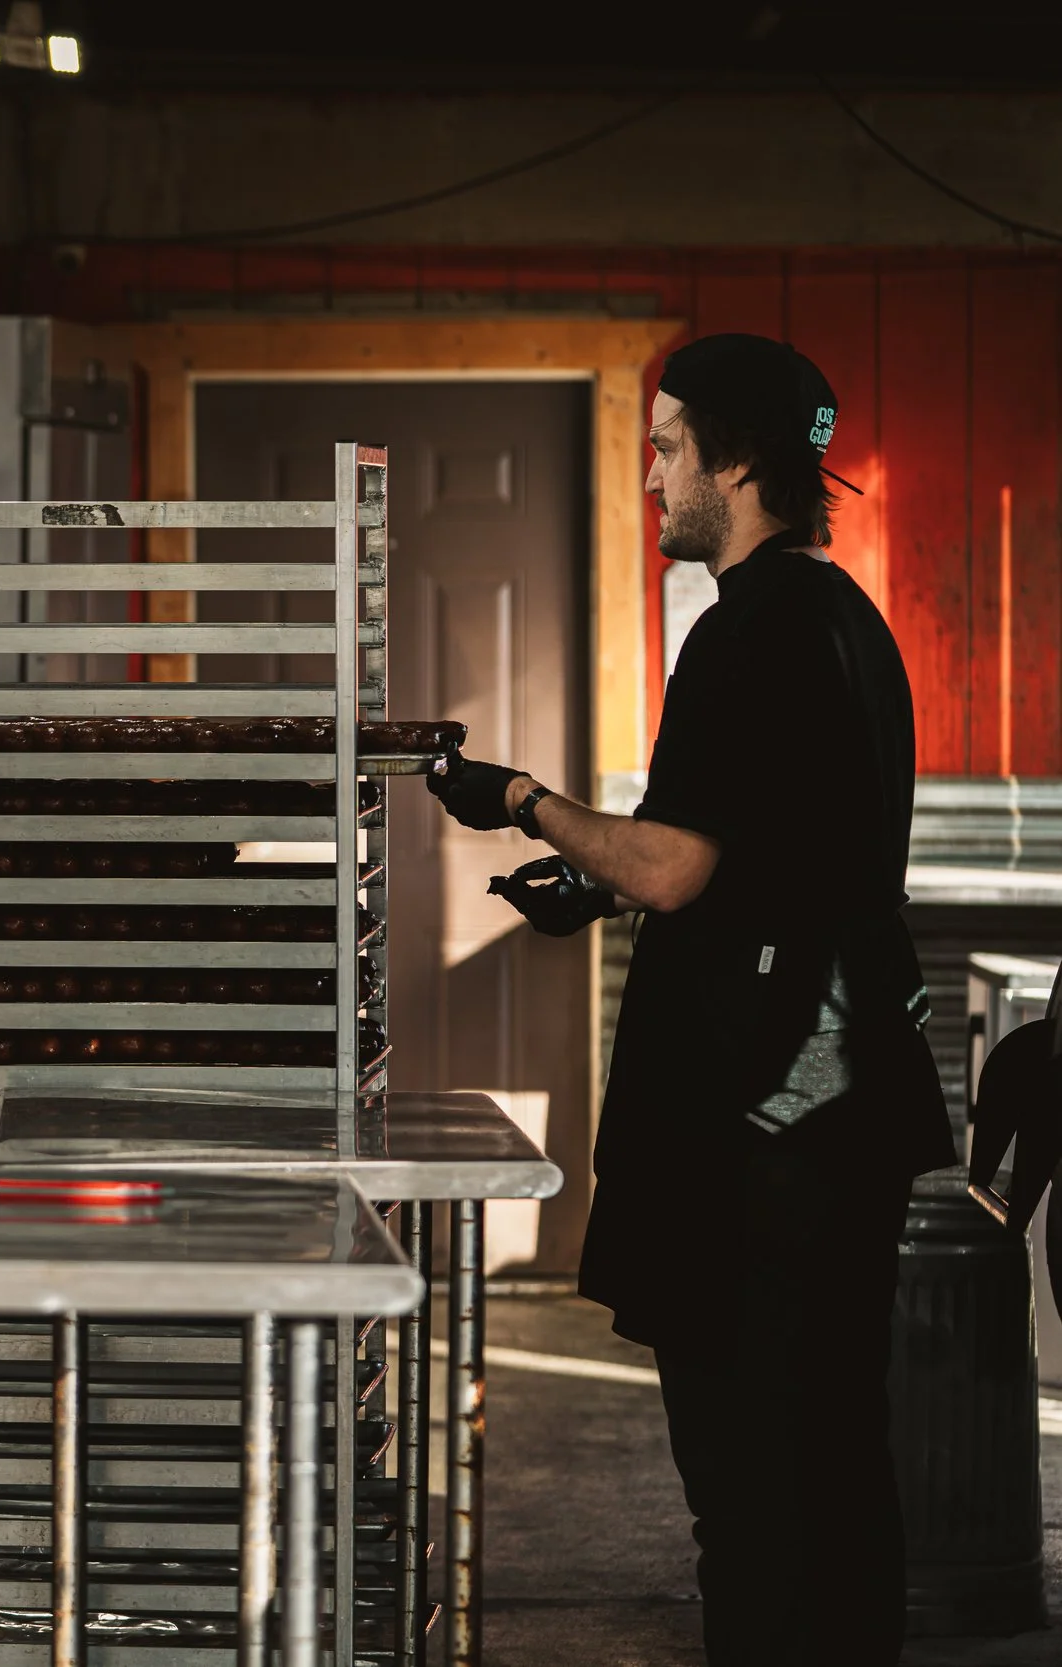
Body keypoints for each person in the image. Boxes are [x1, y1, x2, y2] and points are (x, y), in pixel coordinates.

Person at [427, 334, 953, 1666]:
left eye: (666, 445)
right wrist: (589, 888)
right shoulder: (845, 621)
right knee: (837, 1467)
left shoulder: (745, 631)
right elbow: (780, 861)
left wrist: (520, 801)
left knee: (753, 1492)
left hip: (766, 1130)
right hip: (845, 1109)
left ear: (736, 458)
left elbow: (675, 864)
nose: (651, 476)